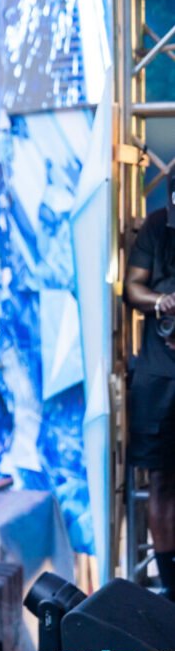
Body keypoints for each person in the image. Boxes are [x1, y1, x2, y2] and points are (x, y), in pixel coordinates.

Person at [125, 202, 175, 600]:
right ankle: (171, 582)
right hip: (161, 375)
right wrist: (161, 302)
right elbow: (132, 287)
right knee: (161, 478)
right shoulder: (159, 225)